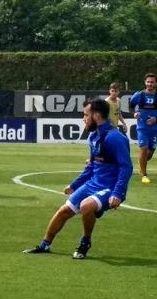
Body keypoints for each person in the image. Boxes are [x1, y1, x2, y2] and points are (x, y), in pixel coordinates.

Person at [23, 98, 133, 259]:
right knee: (64, 211)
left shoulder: (115, 138)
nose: (83, 118)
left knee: (86, 206)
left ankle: (85, 242)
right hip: (93, 184)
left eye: (85, 114)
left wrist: (117, 192)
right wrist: (74, 185)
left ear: (96, 116)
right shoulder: (93, 137)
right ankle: (44, 245)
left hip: (110, 187)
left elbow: (126, 167)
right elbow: (91, 167)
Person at [129, 73, 157, 185]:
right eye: (148, 82)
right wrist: (135, 113)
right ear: (145, 82)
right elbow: (131, 106)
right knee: (143, 149)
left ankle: (141, 164)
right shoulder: (139, 95)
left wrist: (156, 118)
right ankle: (144, 175)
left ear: (156, 83)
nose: (150, 84)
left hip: (155, 129)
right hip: (142, 127)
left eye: (152, 82)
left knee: (149, 154)